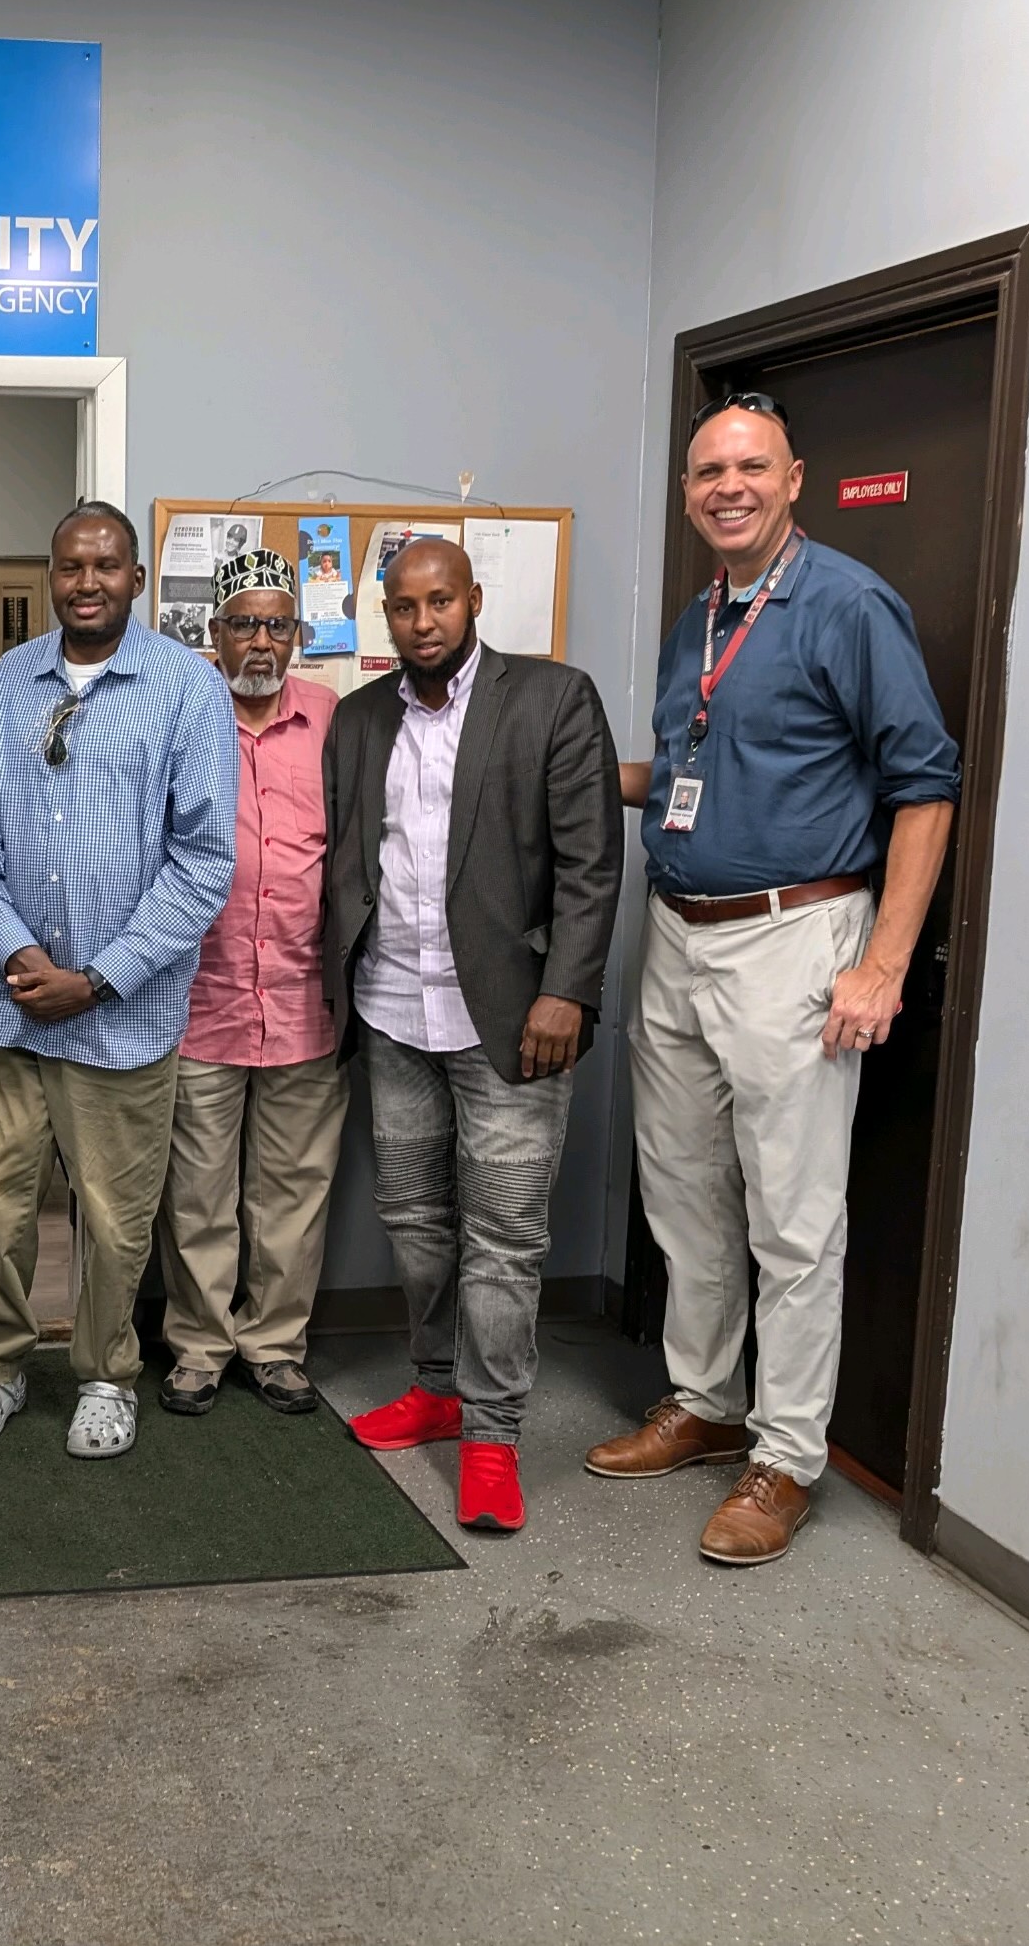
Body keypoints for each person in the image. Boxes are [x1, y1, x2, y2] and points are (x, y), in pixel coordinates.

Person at [586, 393, 957, 1565]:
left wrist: (880, 962)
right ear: (686, 493)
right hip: (676, 933)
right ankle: (704, 1401)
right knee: (682, 1192)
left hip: (793, 937)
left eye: (749, 467)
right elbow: (684, 766)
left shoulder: (846, 603)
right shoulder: (699, 617)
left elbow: (923, 787)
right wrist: (554, 762)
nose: (727, 488)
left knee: (792, 1221)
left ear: (793, 478)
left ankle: (785, 1456)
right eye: (707, 472)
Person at [324, 539, 624, 1532]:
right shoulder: (361, 718)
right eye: (403, 606)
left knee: (502, 1236)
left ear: (473, 600)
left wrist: (566, 990)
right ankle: (437, 1386)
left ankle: (492, 1435)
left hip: (511, 1019)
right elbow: (351, 860)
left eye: (439, 601)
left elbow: (590, 861)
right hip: (391, 1010)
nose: (422, 622)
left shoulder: (550, 699)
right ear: (385, 615)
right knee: (414, 1221)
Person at [0, 500, 238, 1460]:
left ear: (136, 579)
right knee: (7, 1209)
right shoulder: (9, 684)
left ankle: (107, 1375)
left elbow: (203, 863)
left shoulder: (186, 688)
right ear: (52, 577)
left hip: (123, 1016)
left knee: (113, 1218)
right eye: (71, 566)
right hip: (20, 1006)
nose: (87, 582)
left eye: (107, 565)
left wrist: (99, 979)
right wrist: (14, 951)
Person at [157, 551, 343, 1419]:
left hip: (306, 1003)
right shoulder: (182, 717)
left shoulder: (334, 719)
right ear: (214, 633)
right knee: (197, 1194)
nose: (260, 642)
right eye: (243, 624)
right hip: (202, 999)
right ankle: (198, 1348)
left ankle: (274, 1347)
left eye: (276, 625)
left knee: (292, 1194)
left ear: (296, 634)